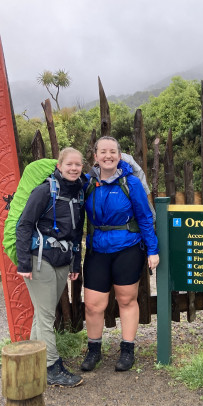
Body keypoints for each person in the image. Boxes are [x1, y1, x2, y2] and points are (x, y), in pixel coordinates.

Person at [81, 136, 159, 373]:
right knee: (94, 305)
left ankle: (127, 349)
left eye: (112, 151)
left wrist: (153, 250)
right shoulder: (86, 183)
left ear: (119, 155)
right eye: (103, 152)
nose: (108, 156)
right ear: (95, 157)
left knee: (126, 300)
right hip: (97, 249)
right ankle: (94, 350)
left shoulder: (131, 183)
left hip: (128, 248)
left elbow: (145, 218)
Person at [16, 147, 85, 387]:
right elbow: (24, 225)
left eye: (78, 165)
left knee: (41, 315)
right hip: (40, 260)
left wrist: (76, 262)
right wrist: (23, 262)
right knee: (46, 316)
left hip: (63, 261)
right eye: (69, 165)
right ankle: (53, 367)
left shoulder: (78, 194)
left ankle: (34, 362)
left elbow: (77, 233)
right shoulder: (44, 190)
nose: (74, 168)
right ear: (59, 166)